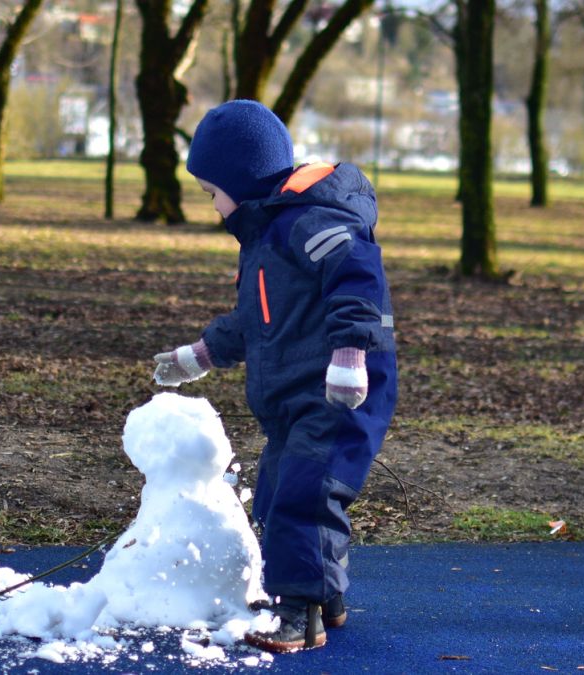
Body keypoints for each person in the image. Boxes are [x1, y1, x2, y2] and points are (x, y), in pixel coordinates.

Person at [151, 99, 397, 653]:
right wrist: (200, 355)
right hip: (293, 392)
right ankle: (323, 599)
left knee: (303, 497)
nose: (213, 207)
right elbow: (256, 321)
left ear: (241, 180)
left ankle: (297, 617)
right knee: (276, 495)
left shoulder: (311, 222)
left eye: (213, 192)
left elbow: (359, 280)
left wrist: (351, 355)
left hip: (337, 388)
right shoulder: (265, 240)